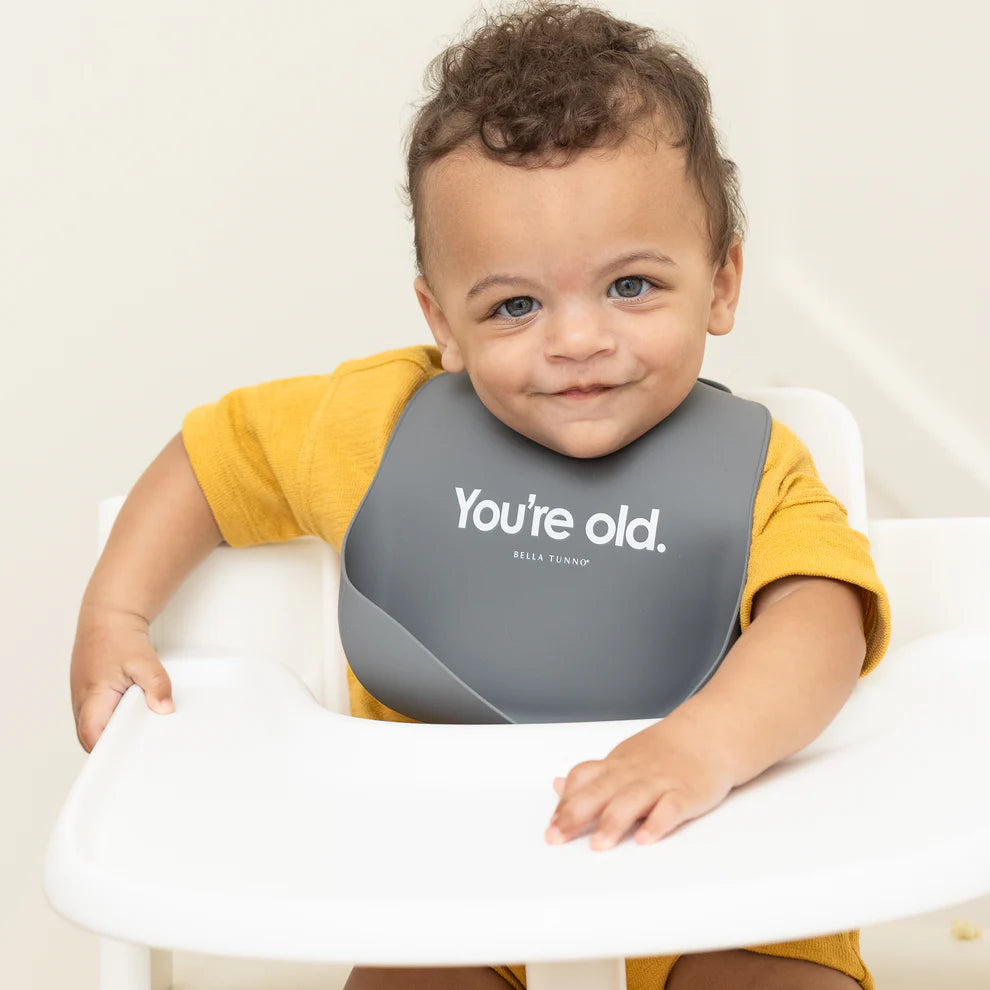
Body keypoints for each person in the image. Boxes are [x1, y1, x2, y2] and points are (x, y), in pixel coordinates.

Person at [69, 3, 891, 988]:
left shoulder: (755, 468)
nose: (577, 341)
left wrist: (699, 751)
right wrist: (116, 614)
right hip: (441, 860)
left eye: (631, 286)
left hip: (717, 830)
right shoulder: (375, 424)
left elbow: (823, 618)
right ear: (442, 321)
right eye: (515, 305)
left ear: (721, 283)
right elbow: (215, 456)